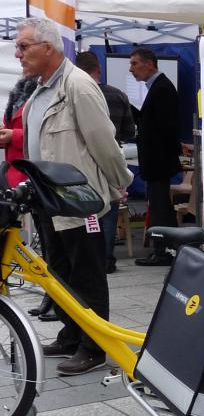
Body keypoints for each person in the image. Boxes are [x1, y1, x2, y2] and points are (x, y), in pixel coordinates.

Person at [17, 17, 131, 376]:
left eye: (23, 46)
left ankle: (94, 346)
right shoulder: (41, 87)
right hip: (50, 200)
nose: (17, 53)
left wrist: (117, 184)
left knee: (87, 273)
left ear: (47, 48)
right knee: (61, 272)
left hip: (80, 201)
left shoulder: (78, 86)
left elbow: (104, 143)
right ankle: (71, 334)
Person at [0, 75, 56, 320]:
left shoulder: (44, 92)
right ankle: (50, 295)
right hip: (19, 173)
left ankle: (54, 296)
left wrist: (14, 135)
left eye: (24, 48)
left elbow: (43, 132)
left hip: (35, 172)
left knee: (52, 243)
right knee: (45, 243)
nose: (19, 56)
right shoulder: (19, 93)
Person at [75, 51, 135, 274]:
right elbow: (129, 131)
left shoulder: (74, 93)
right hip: (114, 156)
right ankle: (107, 259)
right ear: (98, 69)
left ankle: (92, 257)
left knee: (91, 210)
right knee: (111, 207)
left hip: (85, 160)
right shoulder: (118, 95)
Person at [129, 47, 180, 266]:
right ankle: (167, 248)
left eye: (134, 64)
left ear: (149, 64)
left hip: (158, 162)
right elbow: (153, 123)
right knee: (160, 207)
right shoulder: (158, 88)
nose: (131, 69)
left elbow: (166, 129)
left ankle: (163, 252)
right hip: (156, 162)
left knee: (160, 208)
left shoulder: (162, 89)